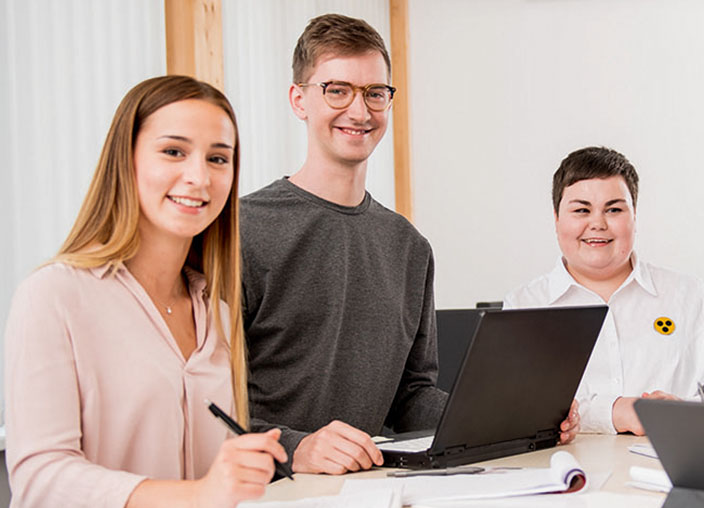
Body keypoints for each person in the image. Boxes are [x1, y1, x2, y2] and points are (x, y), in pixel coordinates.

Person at [240, 15, 579, 473]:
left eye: (375, 93)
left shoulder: (409, 247)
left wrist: (514, 418)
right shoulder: (243, 230)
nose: (359, 112)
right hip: (269, 494)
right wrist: (297, 448)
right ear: (298, 99)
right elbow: (202, 406)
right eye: (336, 90)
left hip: (372, 492)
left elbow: (412, 397)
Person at [0, 76, 286, 508]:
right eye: (174, 151)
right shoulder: (54, 295)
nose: (199, 177)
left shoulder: (215, 311)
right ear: (125, 162)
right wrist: (197, 498)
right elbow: (40, 480)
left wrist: (240, 470)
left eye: (219, 158)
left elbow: (210, 481)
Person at [505, 146, 704, 435]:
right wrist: (614, 413)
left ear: (634, 217)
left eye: (614, 210)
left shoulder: (688, 294)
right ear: (557, 218)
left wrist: (687, 410)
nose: (598, 224)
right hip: (565, 475)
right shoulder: (524, 305)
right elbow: (511, 410)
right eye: (582, 210)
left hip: (672, 470)